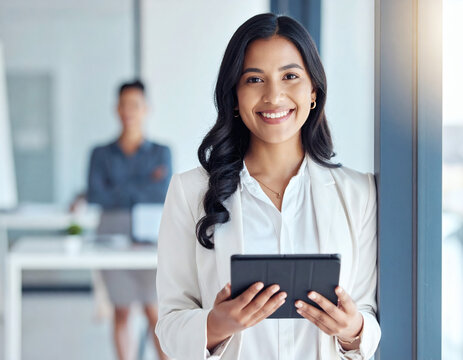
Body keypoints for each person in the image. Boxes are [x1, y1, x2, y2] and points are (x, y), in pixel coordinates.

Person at [155, 13, 381, 360]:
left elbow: (366, 313)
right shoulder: (189, 192)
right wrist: (216, 324)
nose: (274, 96)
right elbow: (170, 325)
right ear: (234, 96)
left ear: (313, 92)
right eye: (254, 79)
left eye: (290, 76)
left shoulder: (359, 193)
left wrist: (351, 330)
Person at [87, 80, 170, 360]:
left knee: (154, 310)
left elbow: (160, 193)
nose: (129, 111)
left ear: (146, 109)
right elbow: (97, 195)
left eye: (135, 105)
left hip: (150, 238)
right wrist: (141, 185)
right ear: (116, 109)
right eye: (124, 105)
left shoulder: (161, 152)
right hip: (110, 236)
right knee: (121, 311)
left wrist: (119, 188)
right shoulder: (100, 154)